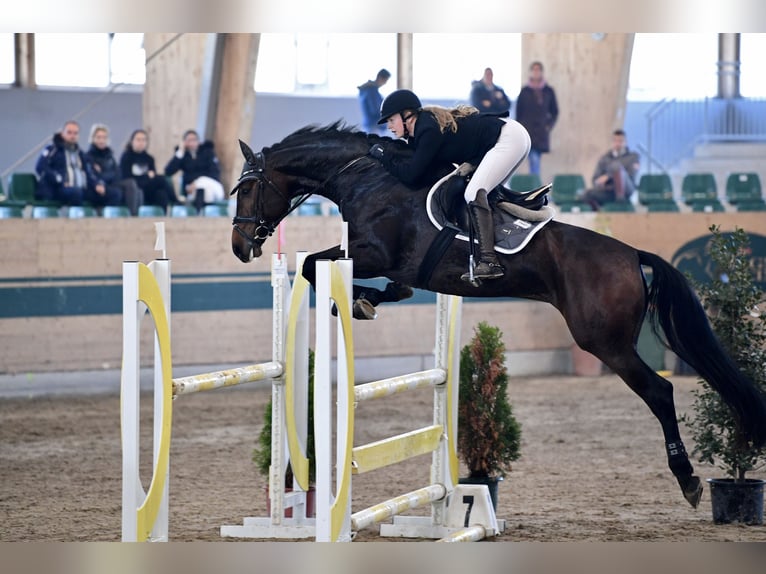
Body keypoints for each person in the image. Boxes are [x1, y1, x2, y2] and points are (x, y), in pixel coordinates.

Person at [369, 89, 531, 283]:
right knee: (479, 192)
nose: (389, 126)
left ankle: (490, 261)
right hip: (509, 136)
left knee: (474, 193)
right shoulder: (423, 128)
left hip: (508, 139)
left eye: (391, 120)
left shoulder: (427, 128)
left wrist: (384, 156)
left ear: (407, 116)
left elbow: (411, 175)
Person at [35, 120, 98, 206]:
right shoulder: (52, 149)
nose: (72, 136)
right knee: (76, 192)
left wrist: (97, 184)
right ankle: (75, 218)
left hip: (80, 188)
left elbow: (88, 171)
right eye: (69, 133)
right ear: (62, 133)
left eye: (75, 133)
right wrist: (59, 179)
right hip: (57, 188)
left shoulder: (80, 153)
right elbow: (40, 167)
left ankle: (102, 217)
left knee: (112, 194)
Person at [85, 124, 143, 214]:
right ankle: (133, 217)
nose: (101, 140)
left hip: (112, 183)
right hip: (100, 186)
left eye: (104, 138)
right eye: (98, 137)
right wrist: (109, 174)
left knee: (138, 191)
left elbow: (117, 173)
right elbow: (95, 176)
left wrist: (107, 174)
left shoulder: (110, 155)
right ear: (93, 138)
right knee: (129, 184)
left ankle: (136, 217)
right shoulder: (89, 156)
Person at [515, 62, 559, 177]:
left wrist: (548, 125)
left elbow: (554, 111)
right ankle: (534, 187)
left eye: (538, 69)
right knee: (534, 161)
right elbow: (519, 113)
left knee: (535, 160)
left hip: (541, 133)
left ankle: (535, 188)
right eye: (534, 69)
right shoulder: (524, 92)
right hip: (527, 132)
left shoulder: (548, 91)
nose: (536, 72)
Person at [164, 129, 225, 212]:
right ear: (184, 142)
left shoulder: (208, 153)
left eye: (194, 140)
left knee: (203, 186)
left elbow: (215, 173)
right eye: (189, 140)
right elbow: (168, 172)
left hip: (212, 186)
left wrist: (197, 182)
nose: (192, 143)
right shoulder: (183, 155)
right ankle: (199, 216)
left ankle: (199, 214)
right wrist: (180, 153)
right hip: (192, 191)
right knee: (202, 191)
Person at [119, 129, 179, 212]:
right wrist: (146, 176)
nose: (141, 142)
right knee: (162, 179)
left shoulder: (149, 158)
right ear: (132, 141)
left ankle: (160, 222)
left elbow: (152, 175)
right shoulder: (126, 157)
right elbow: (126, 176)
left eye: (143, 140)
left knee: (161, 194)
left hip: (148, 186)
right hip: (134, 187)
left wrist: (147, 176)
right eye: (138, 140)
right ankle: (175, 200)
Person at [584, 129, 640, 209]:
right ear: (612, 142)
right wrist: (599, 182)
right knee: (587, 194)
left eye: (620, 141)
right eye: (615, 141)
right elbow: (595, 179)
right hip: (608, 190)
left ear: (625, 142)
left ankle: (620, 202)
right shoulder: (604, 159)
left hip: (626, 189)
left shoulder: (633, 157)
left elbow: (631, 175)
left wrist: (608, 176)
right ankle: (599, 213)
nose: (618, 143)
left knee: (616, 166)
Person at [357, 68, 391, 135]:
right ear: (380, 77)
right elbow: (375, 110)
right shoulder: (372, 91)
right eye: (385, 80)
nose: (385, 83)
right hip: (374, 126)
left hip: (369, 125)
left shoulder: (366, 90)